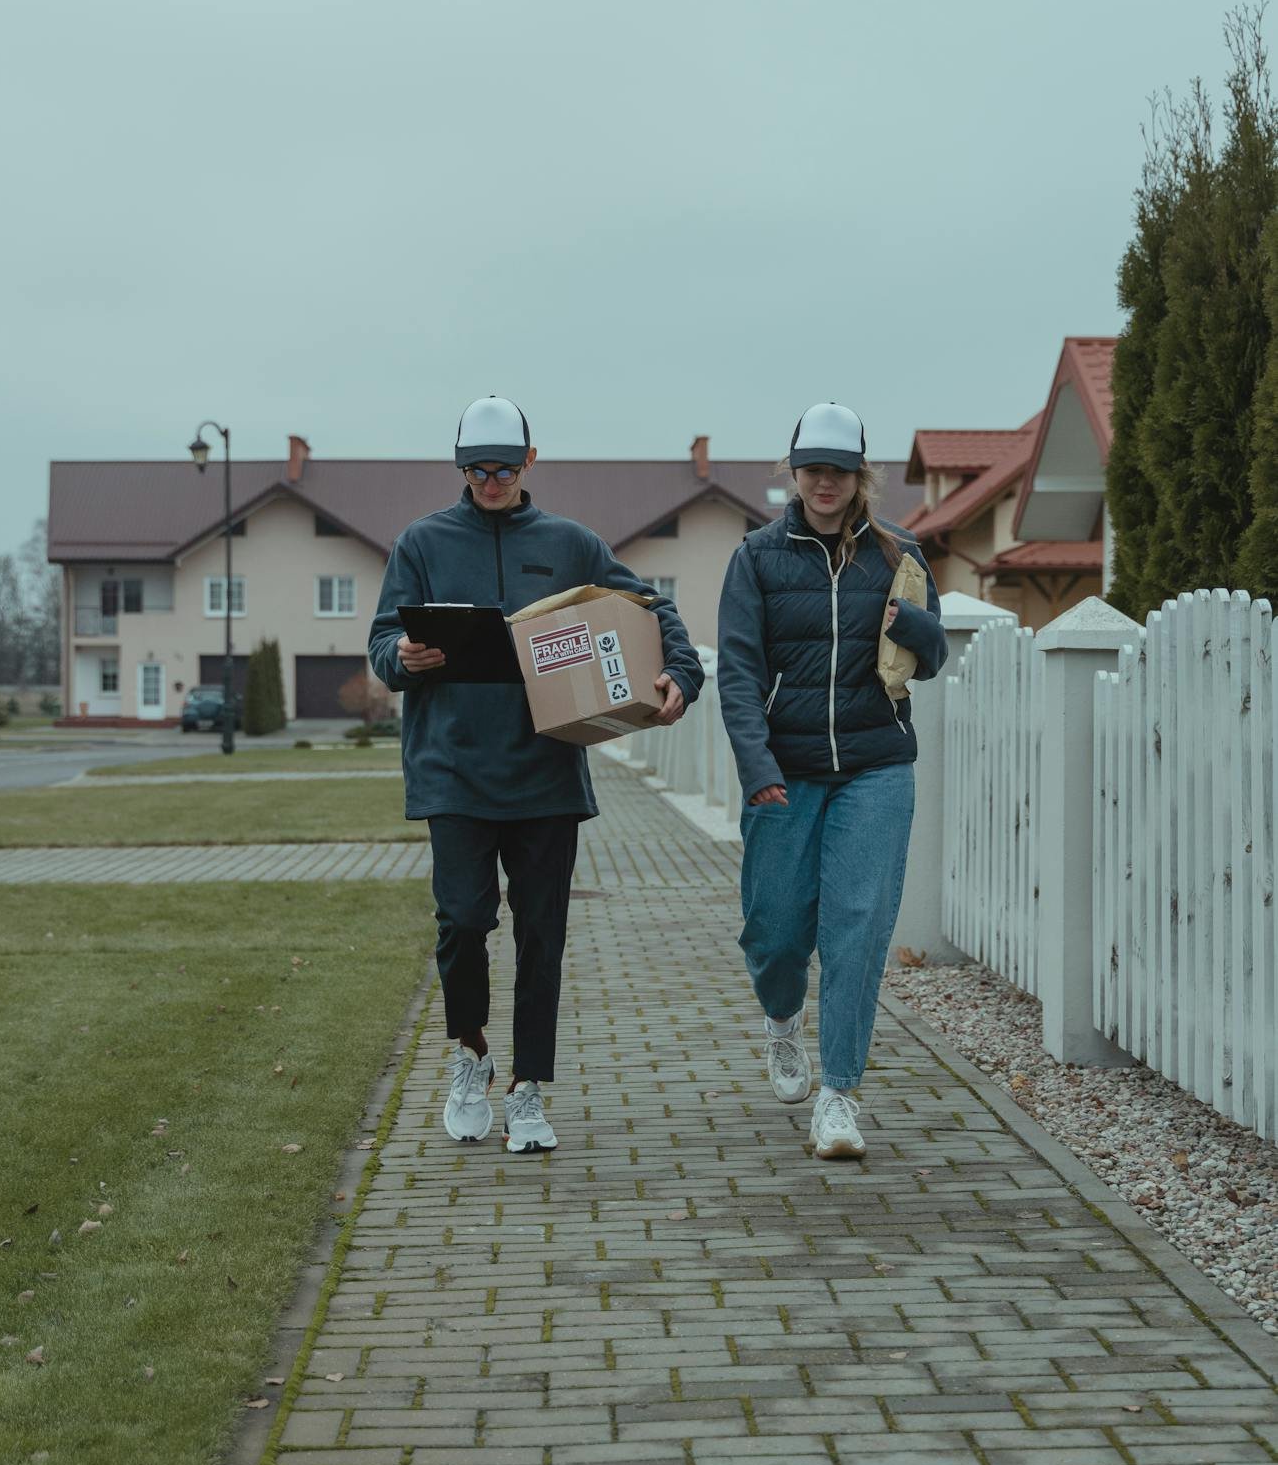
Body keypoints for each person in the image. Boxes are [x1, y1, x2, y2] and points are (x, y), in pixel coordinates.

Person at [368, 397, 704, 1154]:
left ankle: (528, 1090)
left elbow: (650, 607)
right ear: (459, 466)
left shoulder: (571, 544)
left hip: (546, 771)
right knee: (461, 925)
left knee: (541, 937)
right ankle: (470, 1057)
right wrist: (402, 659)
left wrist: (680, 672)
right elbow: (384, 639)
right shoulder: (420, 543)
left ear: (530, 461)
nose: (490, 479)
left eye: (503, 465)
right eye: (476, 467)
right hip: (451, 769)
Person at [717, 401, 947, 1159]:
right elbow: (741, 675)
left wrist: (907, 624)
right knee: (776, 931)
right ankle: (781, 1023)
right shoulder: (756, 557)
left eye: (838, 470)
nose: (825, 482)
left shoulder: (898, 552)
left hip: (876, 766)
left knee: (856, 929)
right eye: (812, 469)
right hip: (785, 772)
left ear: (859, 477)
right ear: (793, 473)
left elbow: (934, 654)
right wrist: (756, 767)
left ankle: (838, 1097)